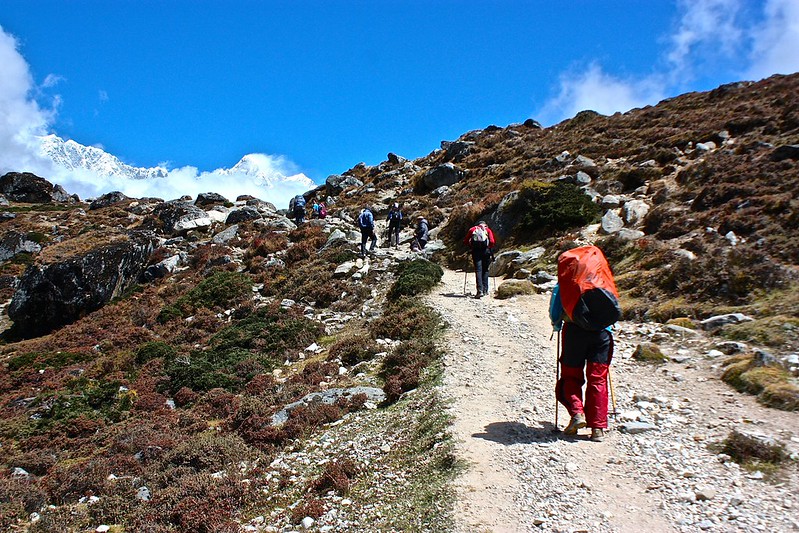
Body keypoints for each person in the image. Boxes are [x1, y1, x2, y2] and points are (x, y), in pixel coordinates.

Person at [549, 283, 613, 442]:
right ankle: (597, 428)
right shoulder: (603, 278)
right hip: (602, 333)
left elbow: (556, 305)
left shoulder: (567, 279)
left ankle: (577, 414)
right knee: (598, 379)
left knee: (571, 375)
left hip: (574, 331)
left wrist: (556, 324)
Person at [463, 221, 495, 298]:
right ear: (485, 224)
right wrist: (489, 247)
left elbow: (465, 241)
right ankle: (485, 290)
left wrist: (471, 246)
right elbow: (492, 241)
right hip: (486, 251)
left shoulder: (472, 229)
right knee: (485, 270)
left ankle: (479, 290)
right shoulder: (487, 230)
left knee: (478, 270)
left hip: (476, 252)